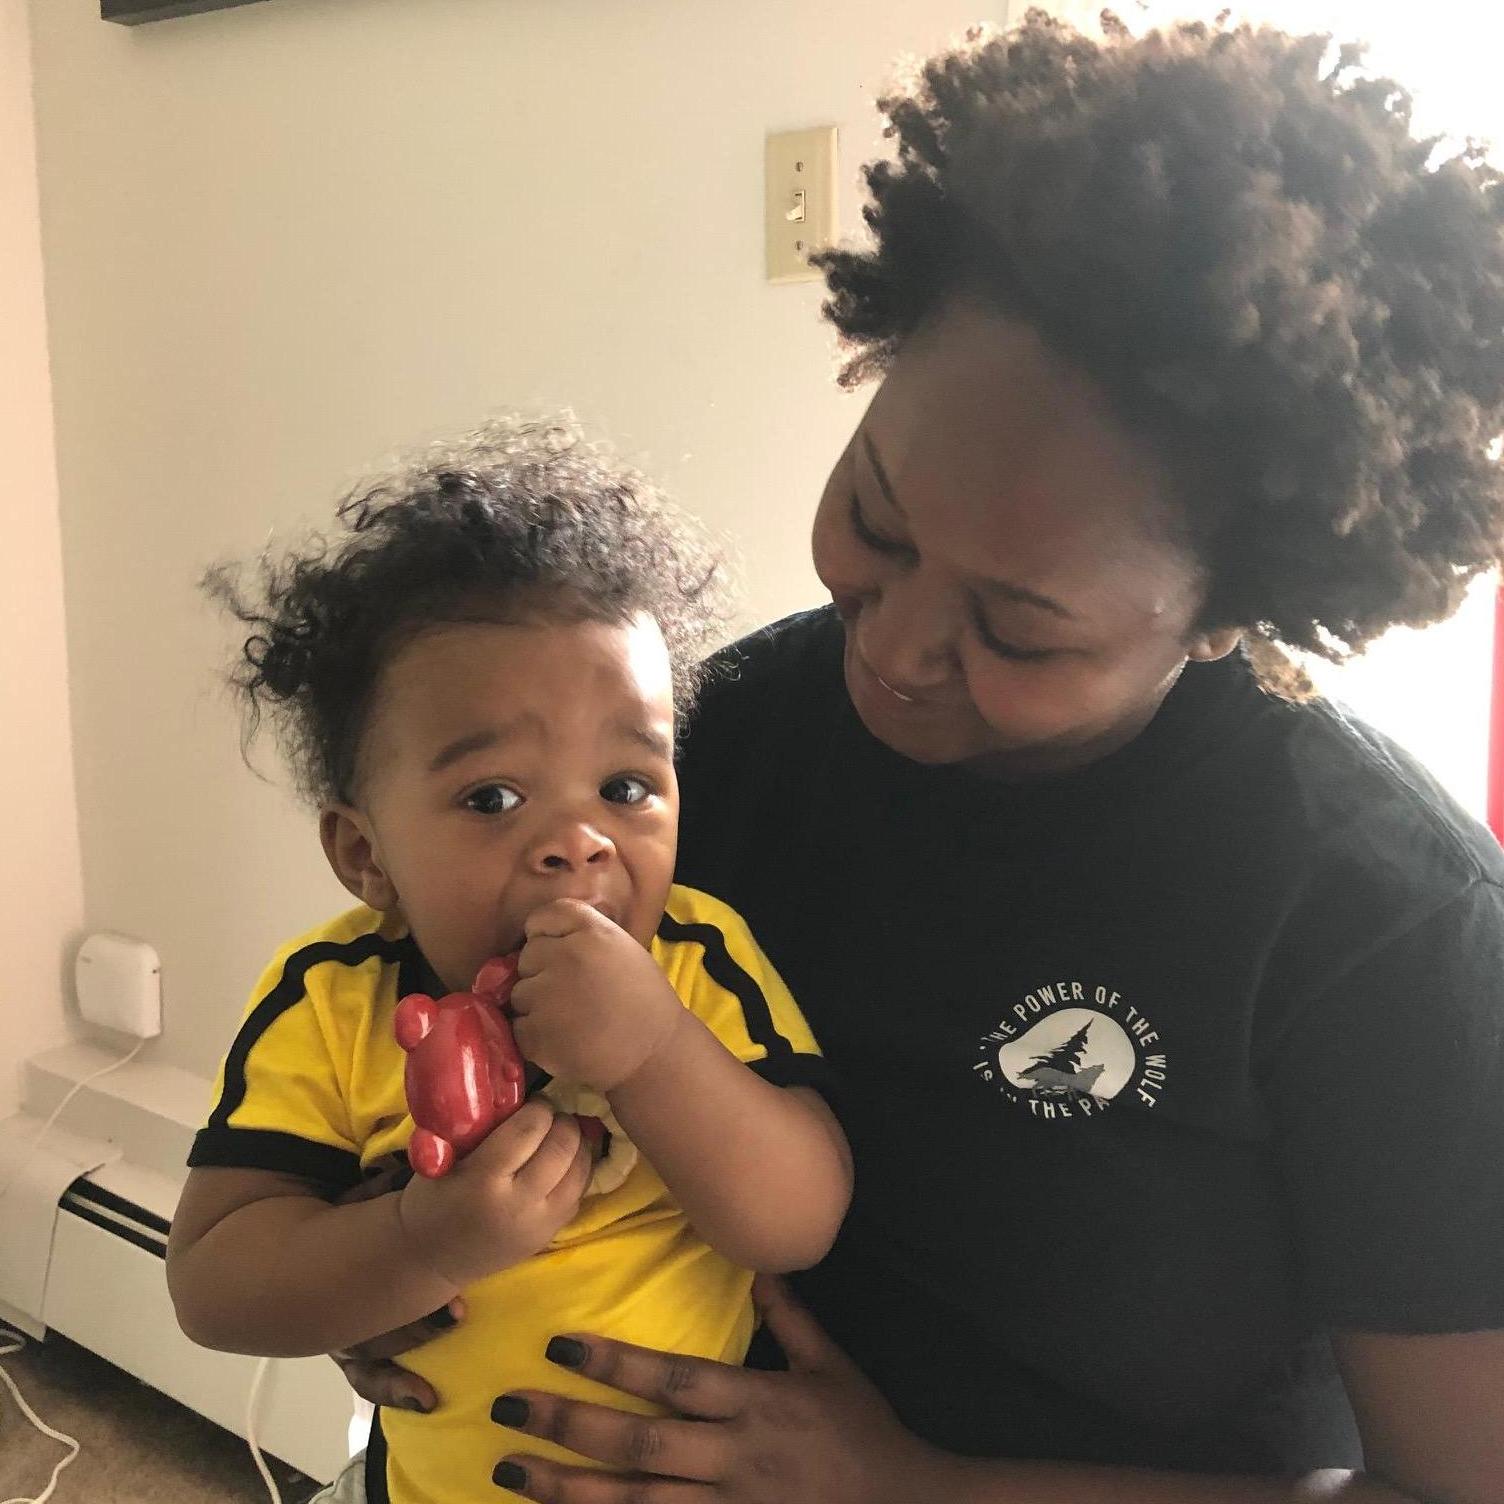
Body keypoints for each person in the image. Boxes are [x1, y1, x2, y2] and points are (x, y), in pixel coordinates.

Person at [328, 11, 1504, 1503]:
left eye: (1018, 629)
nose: (891, 647)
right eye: (874, 522)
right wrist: (382, 1251)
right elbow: (449, 1042)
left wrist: (916, 1487)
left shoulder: (1385, 922)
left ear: (1227, 614)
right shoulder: (713, 740)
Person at [165, 417, 853, 1504]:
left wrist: (653, 1051)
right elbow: (212, 1283)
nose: (579, 841)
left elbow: (799, 1221)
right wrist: (416, 1244)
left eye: (626, 788)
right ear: (366, 855)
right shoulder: (332, 1000)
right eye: (492, 797)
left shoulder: (695, 959)